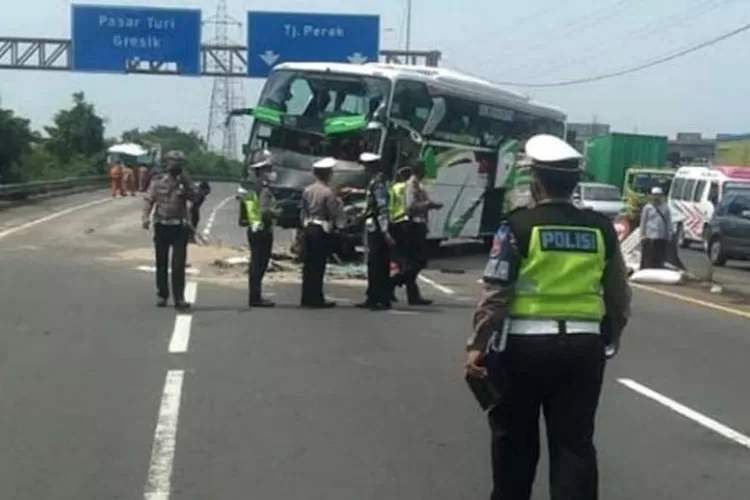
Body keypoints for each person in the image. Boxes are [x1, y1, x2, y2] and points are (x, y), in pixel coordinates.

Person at [466, 134, 631, 500]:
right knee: (574, 445)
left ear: (535, 182)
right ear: (574, 183)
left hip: (523, 349)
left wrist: (477, 345)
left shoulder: (518, 226)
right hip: (584, 348)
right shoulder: (601, 229)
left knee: (514, 443)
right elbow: (619, 294)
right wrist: (611, 334)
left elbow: (496, 292)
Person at [142, 150, 198, 311]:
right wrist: (145, 217)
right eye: (173, 162)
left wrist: (187, 183)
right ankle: (163, 294)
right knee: (161, 262)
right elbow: (149, 199)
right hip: (161, 225)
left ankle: (179, 298)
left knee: (178, 264)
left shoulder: (185, 182)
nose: (176, 165)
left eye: (179, 163)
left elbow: (195, 198)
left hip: (179, 227)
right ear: (167, 164)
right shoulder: (158, 181)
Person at [390, 160, 443, 305]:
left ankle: (413, 296)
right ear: (418, 170)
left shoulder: (416, 184)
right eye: (423, 169)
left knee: (411, 263)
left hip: (416, 225)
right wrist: (429, 204)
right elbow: (410, 206)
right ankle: (392, 283)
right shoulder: (412, 185)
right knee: (418, 262)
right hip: (412, 226)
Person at [298, 157, 341, 308]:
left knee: (308, 265)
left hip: (308, 226)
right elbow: (333, 213)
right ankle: (316, 298)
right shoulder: (328, 192)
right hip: (321, 228)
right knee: (318, 265)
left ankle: (306, 297)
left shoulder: (307, 190)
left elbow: (302, 211)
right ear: (327, 174)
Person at [356, 152, 396, 311]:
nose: (364, 169)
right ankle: (373, 296)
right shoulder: (376, 181)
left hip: (377, 228)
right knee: (375, 263)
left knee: (377, 264)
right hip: (374, 225)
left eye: (366, 166)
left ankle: (380, 298)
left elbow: (382, 208)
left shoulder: (378, 183)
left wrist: (385, 231)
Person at [238, 151, 277, 308]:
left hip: (253, 227)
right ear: (261, 170)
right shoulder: (263, 188)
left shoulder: (250, 186)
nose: (271, 171)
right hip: (262, 228)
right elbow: (264, 211)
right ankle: (256, 297)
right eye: (268, 168)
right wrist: (276, 212)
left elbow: (245, 207)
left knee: (255, 262)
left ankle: (255, 295)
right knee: (259, 263)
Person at [639, 186, 672, 269]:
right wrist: (642, 236)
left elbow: (668, 222)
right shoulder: (647, 208)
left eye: (658, 195)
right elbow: (643, 222)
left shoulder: (665, 208)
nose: (656, 197)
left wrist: (669, 235)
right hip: (649, 236)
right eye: (654, 195)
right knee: (648, 257)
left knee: (659, 257)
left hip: (661, 236)